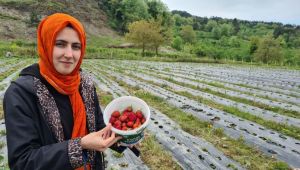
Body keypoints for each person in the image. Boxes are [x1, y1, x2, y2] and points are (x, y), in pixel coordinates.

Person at [3, 13, 125, 170]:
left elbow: (100, 128)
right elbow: (22, 162)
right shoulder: (21, 93)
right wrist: (80, 145)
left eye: (76, 46)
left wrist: (127, 139)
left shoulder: (85, 84)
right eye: (60, 44)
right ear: (46, 44)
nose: (69, 54)